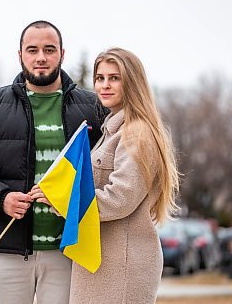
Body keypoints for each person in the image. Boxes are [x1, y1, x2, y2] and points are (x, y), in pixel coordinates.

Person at [0, 20, 106, 304]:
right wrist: (1, 197)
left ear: (62, 54)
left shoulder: (93, 108)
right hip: (5, 249)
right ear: (20, 55)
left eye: (49, 49)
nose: (40, 57)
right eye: (32, 50)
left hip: (68, 250)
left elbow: (113, 167)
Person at [68, 48, 180, 303]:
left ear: (132, 82)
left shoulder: (137, 132)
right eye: (100, 78)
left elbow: (119, 198)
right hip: (103, 260)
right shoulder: (111, 131)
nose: (104, 85)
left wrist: (63, 201)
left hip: (123, 265)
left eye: (114, 78)